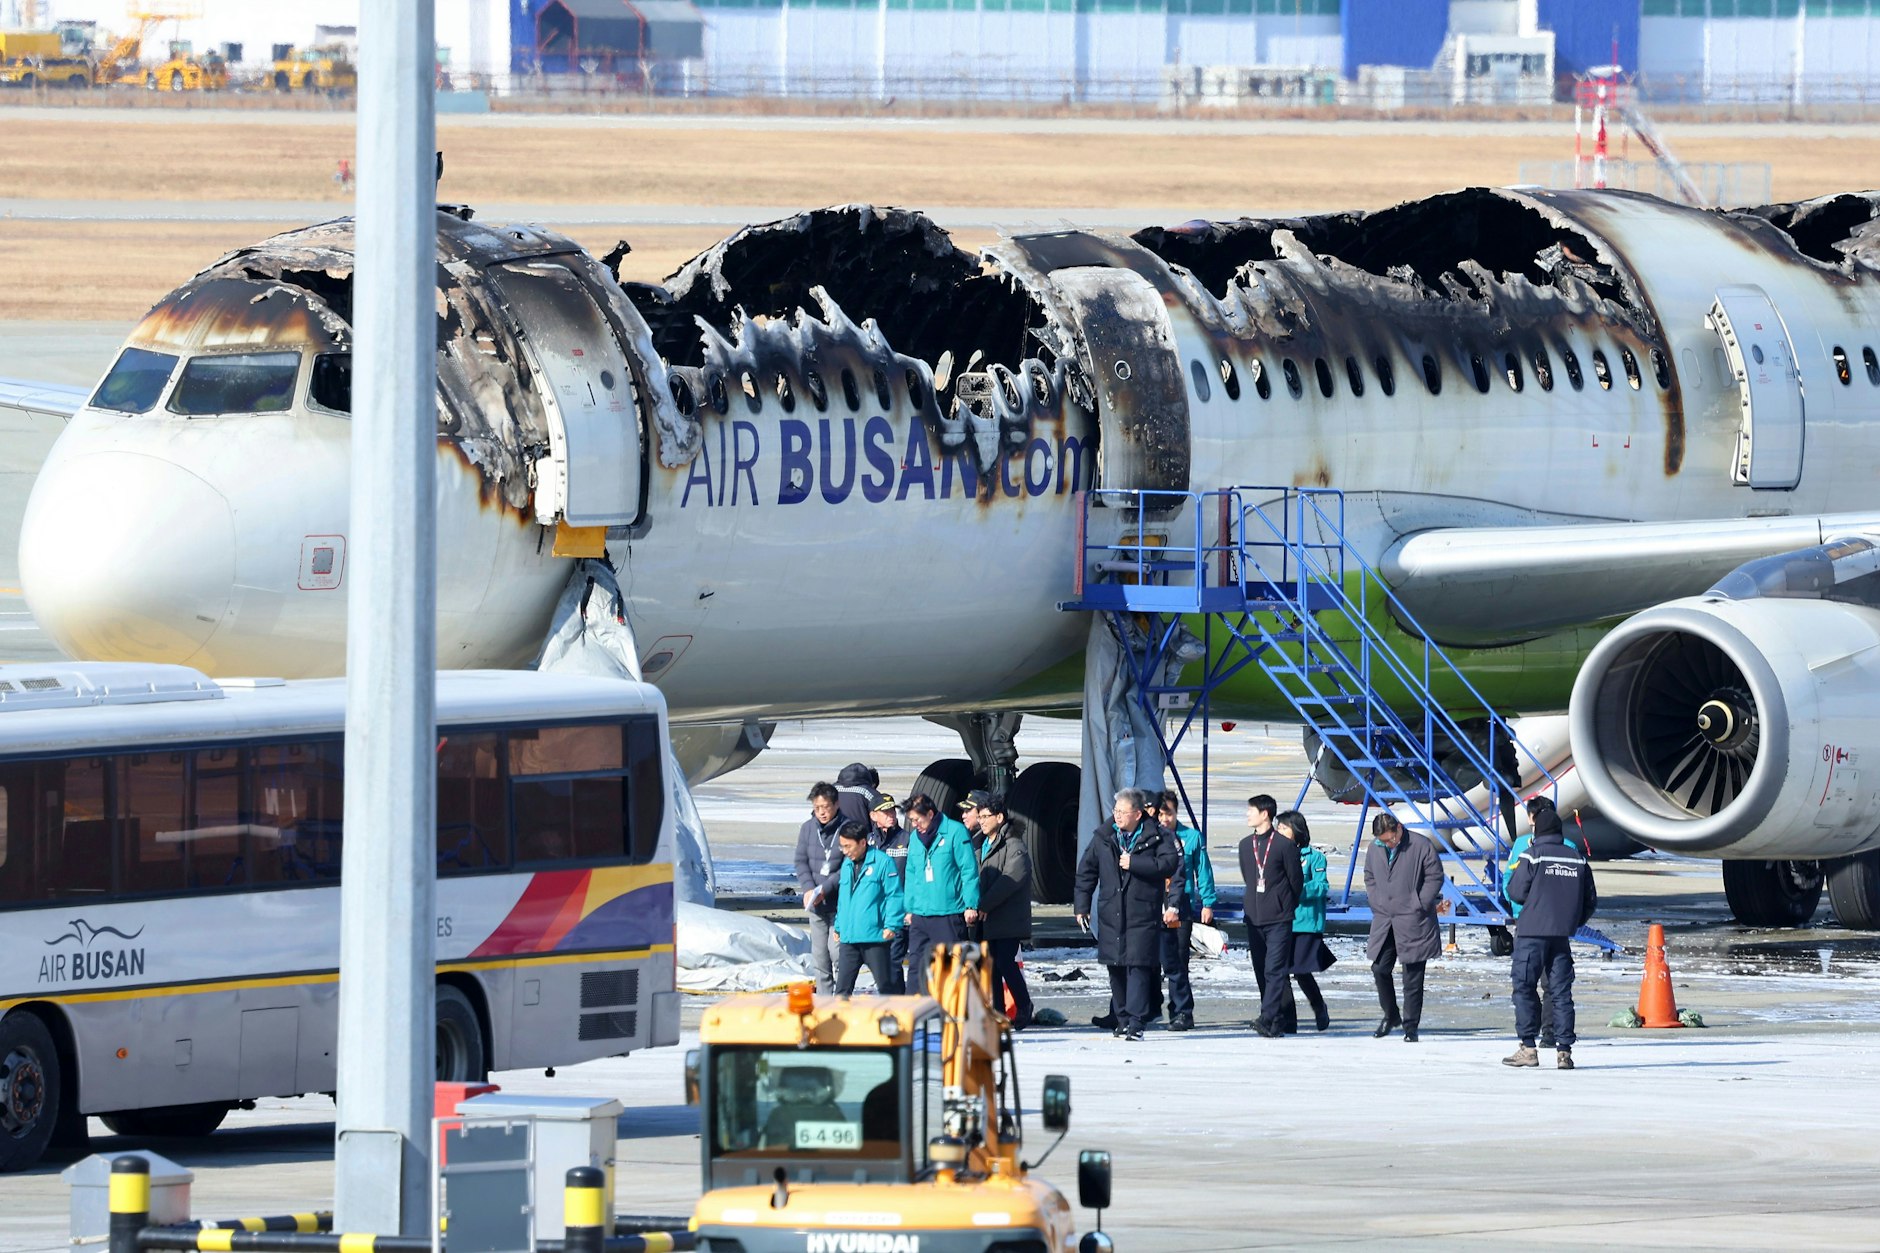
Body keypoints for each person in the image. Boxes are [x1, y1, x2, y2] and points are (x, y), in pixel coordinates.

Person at [1075, 788, 1180, 1041]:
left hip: (1142, 912)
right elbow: (1086, 871)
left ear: (1137, 813)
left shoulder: (1158, 836)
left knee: (1138, 967)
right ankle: (1121, 1018)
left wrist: (1136, 863)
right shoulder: (1104, 836)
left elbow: (1169, 864)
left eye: (1123, 812)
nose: (1118, 816)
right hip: (1111, 911)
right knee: (1115, 966)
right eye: (1115, 811)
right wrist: (1081, 905)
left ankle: (1136, 1021)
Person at [1503, 802, 1598, 1070]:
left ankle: (1528, 1048)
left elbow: (1516, 891)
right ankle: (1564, 1051)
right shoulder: (1576, 858)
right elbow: (1590, 900)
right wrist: (1572, 920)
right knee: (1560, 992)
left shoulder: (1532, 855)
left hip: (1532, 932)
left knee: (1524, 987)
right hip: (1561, 935)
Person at [1363, 812, 1443, 1042]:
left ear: (1399, 828)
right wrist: (1376, 900)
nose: (1388, 844)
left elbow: (1434, 877)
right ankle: (1391, 1015)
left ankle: (1411, 1026)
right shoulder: (1375, 848)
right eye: (1383, 841)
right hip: (1385, 918)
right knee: (1379, 969)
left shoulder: (1420, 845)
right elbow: (1369, 877)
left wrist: (1419, 902)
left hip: (1414, 919)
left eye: (1391, 839)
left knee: (1413, 976)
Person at [901, 793, 981, 995]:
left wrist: (971, 904)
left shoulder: (955, 832)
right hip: (920, 914)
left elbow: (968, 871)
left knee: (949, 968)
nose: (915, 824)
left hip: (948, 912)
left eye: (917, 819)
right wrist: (909, 907)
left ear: (930, 813)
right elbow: (911, 874)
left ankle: (951, 1012)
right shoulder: (915, 839)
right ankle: (914, 1011)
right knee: (916, 966)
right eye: (911, 820)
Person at [1240, 794, 1303, 1038]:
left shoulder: (1284, 846)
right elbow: (1249, 877)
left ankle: (1266, 1017)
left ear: (1264, 813)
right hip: (1255, 918)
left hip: (1279, 918)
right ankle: (1276, 1019)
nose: (1247, 814)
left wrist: (1284, 905)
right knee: (1260, 969)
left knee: (1275, 970)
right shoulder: (1246, 845)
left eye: (1250, 810)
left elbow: (1295, 881)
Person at [1156, 791, 1217, 1032]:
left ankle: (1182, 1011)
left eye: (1168, 813)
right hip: (1153, 904)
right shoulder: (1152, 837)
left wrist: (1208, 903)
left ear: (1176, 812)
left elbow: (1203, 870)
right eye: (1160, 814)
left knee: (1178, 961)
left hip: (1180, 905)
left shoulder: (1190, 837)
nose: (1164, 819)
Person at [974, 794, 1034, 1029]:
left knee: (1005, 962)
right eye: (979, 816)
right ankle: (997, 1012)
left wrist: (984, 905)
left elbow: (1010, 879)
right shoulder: (980, 844)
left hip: (1007, 916)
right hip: (987, 918)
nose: (981, 821)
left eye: (986, 816)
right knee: (991, 966)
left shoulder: (1014, 845)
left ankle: (1024, 1004)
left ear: (1000, 817)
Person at [1275, 810, 1334, 1032]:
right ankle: (1288, 1019)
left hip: (1304, 922)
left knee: (1300, 970)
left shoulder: (1315, 858)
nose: (1279, 831)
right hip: (1281, 920)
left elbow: (1322, 886)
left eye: (1284, 827)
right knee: (1280, 970)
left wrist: (1295, 889)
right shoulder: (1276, 855)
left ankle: (1318, 1006)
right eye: (1278, 827)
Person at [831, 820, 904, 996]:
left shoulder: (882, 862)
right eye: (842, 847)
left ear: (863, 842)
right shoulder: (847, 864)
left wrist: (892, 925)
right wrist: (839, 925)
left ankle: (893, 1021)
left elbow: (894, 895)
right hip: (849, 938)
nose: (845, 851)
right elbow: (844, 899)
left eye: (848, 846)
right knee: (842, 989)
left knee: (886, 987)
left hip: (874, 938)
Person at [794, 781, 846, 993]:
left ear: (836, 805)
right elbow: (800, 861)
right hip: (815, 904)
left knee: (837, 952)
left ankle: (843, 997)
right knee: (820, 957)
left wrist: (826, 887)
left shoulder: (847, 828)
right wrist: (808, 888)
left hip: (839, 903)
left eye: (826, 807)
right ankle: (825, 1003)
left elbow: (849, 866)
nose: (822, 813)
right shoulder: (808, 828)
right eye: (817, 808)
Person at [869, 793, 909, 993]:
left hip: (897, 913)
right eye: (885, 812)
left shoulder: (908, 840)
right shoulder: (867, 843)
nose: (891, 815)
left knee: (893, 962)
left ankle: (899, 1005)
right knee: (881, 965)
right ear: (873, 816)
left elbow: (913, 877)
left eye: (892, 810)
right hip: (873, 914)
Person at [836, 762, 884, 826]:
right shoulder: (869, 794)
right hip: (861, 834)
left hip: (832, 834)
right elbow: (882, 821)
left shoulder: (830, 790)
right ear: (873, 784)